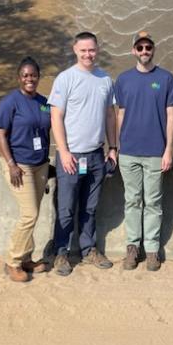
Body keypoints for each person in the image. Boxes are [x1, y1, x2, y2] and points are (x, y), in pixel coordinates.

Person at [48, 31, 117, 276]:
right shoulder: (65, 78)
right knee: (65, 208)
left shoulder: (105, 79)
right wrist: (63, 152)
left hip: (97, 156)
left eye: (92, 50)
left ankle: (89, 250)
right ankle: (61, 252)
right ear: (75, 50)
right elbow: (55, 116)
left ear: (98, 50)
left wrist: (113, 148)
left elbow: (110, 115)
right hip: (72, 156)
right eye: (84, 50)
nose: (88, 54)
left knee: (90, 207)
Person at [114, 31, 173, 271]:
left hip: (155, 153)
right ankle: (132, 247)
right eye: (139, 48)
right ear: (133, 50)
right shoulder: (123, 80)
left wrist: (167, 150)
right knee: (132, 201)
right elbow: (119, 114)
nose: (144, 51)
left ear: (153, 49)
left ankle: (152, 249)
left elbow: (171, 116)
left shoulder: (166, 79)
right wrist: (116, 147)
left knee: (153, 202)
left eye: (148, 47)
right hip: (128, 152)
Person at [0, 57, 52, 283]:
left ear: (38, 77)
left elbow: (49, 130)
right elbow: (0, 134)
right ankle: (13, 261)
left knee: (33, 214)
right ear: (19, 78)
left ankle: (27, 258)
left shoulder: (44, 102)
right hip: (20, 166)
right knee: (29, 215)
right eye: (25, 75)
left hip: (40, 165)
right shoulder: (10, 102)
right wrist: (11, 164)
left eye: (33, 75)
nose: (30, 79)